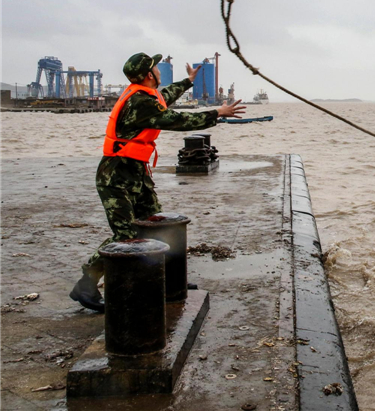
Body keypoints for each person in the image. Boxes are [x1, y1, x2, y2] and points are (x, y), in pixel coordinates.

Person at [70, 53, 246, 312]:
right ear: (149, 74)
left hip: (136, 171)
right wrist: (217, 112)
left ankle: (166, 282)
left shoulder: (146, 95)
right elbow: (176, 120)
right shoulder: (140, 102)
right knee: (126, 235)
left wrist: (188, 81)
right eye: (154, 66)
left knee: (155, 225)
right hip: (116, 174)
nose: (158, 69)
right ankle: (86, 283)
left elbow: (166, 97)